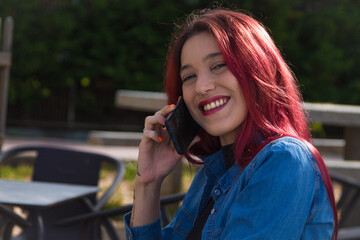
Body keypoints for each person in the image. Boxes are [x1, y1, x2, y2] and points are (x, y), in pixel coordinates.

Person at [124, 8, 338, 240]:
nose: (201, 87)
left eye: (218, 65)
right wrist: (148, 183)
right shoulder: (211, 173)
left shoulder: (283, 160)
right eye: (189, 77)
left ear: (257, 69)